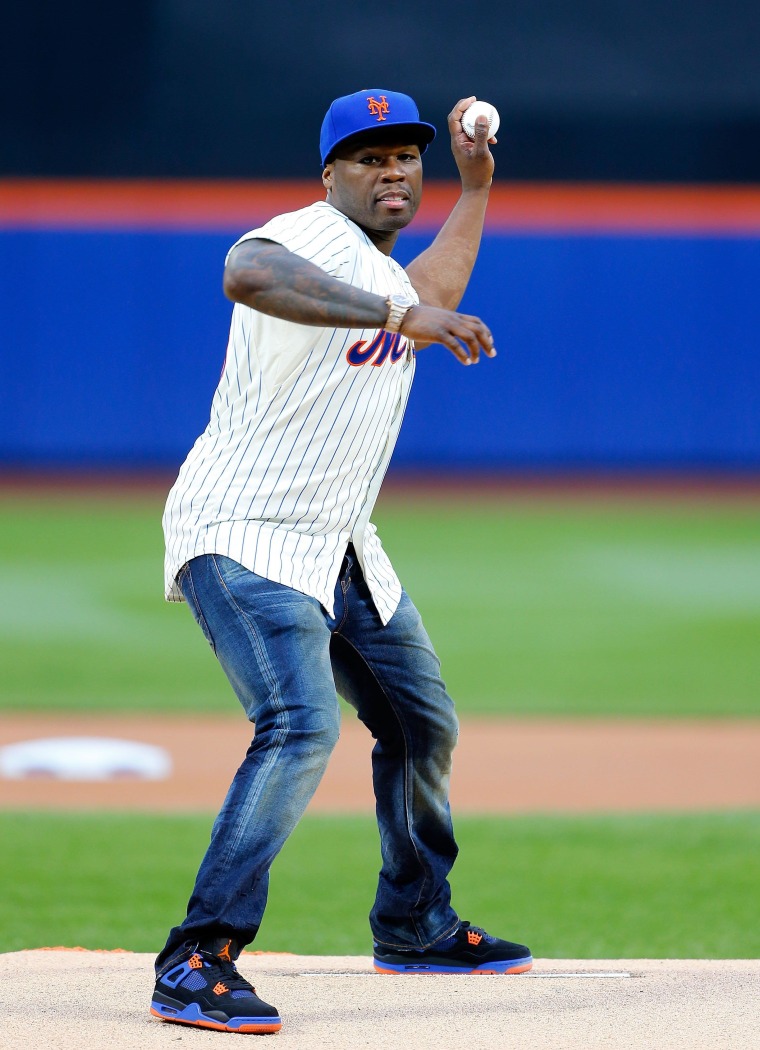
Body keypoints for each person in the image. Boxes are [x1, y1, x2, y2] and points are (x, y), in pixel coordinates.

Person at [151, 88, 532, 1036]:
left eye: (406, 154)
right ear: (331, 176)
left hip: (339, 541)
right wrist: (399, 315)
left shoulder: (382, 272)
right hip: (242, 531)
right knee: (298, 722)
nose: (393, 168)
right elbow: (246, 272)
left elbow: (432, 297)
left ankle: (414, 921)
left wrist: (476, 186)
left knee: (420, 722)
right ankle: (197, 958)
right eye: (368, 157)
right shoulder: (306, 238)